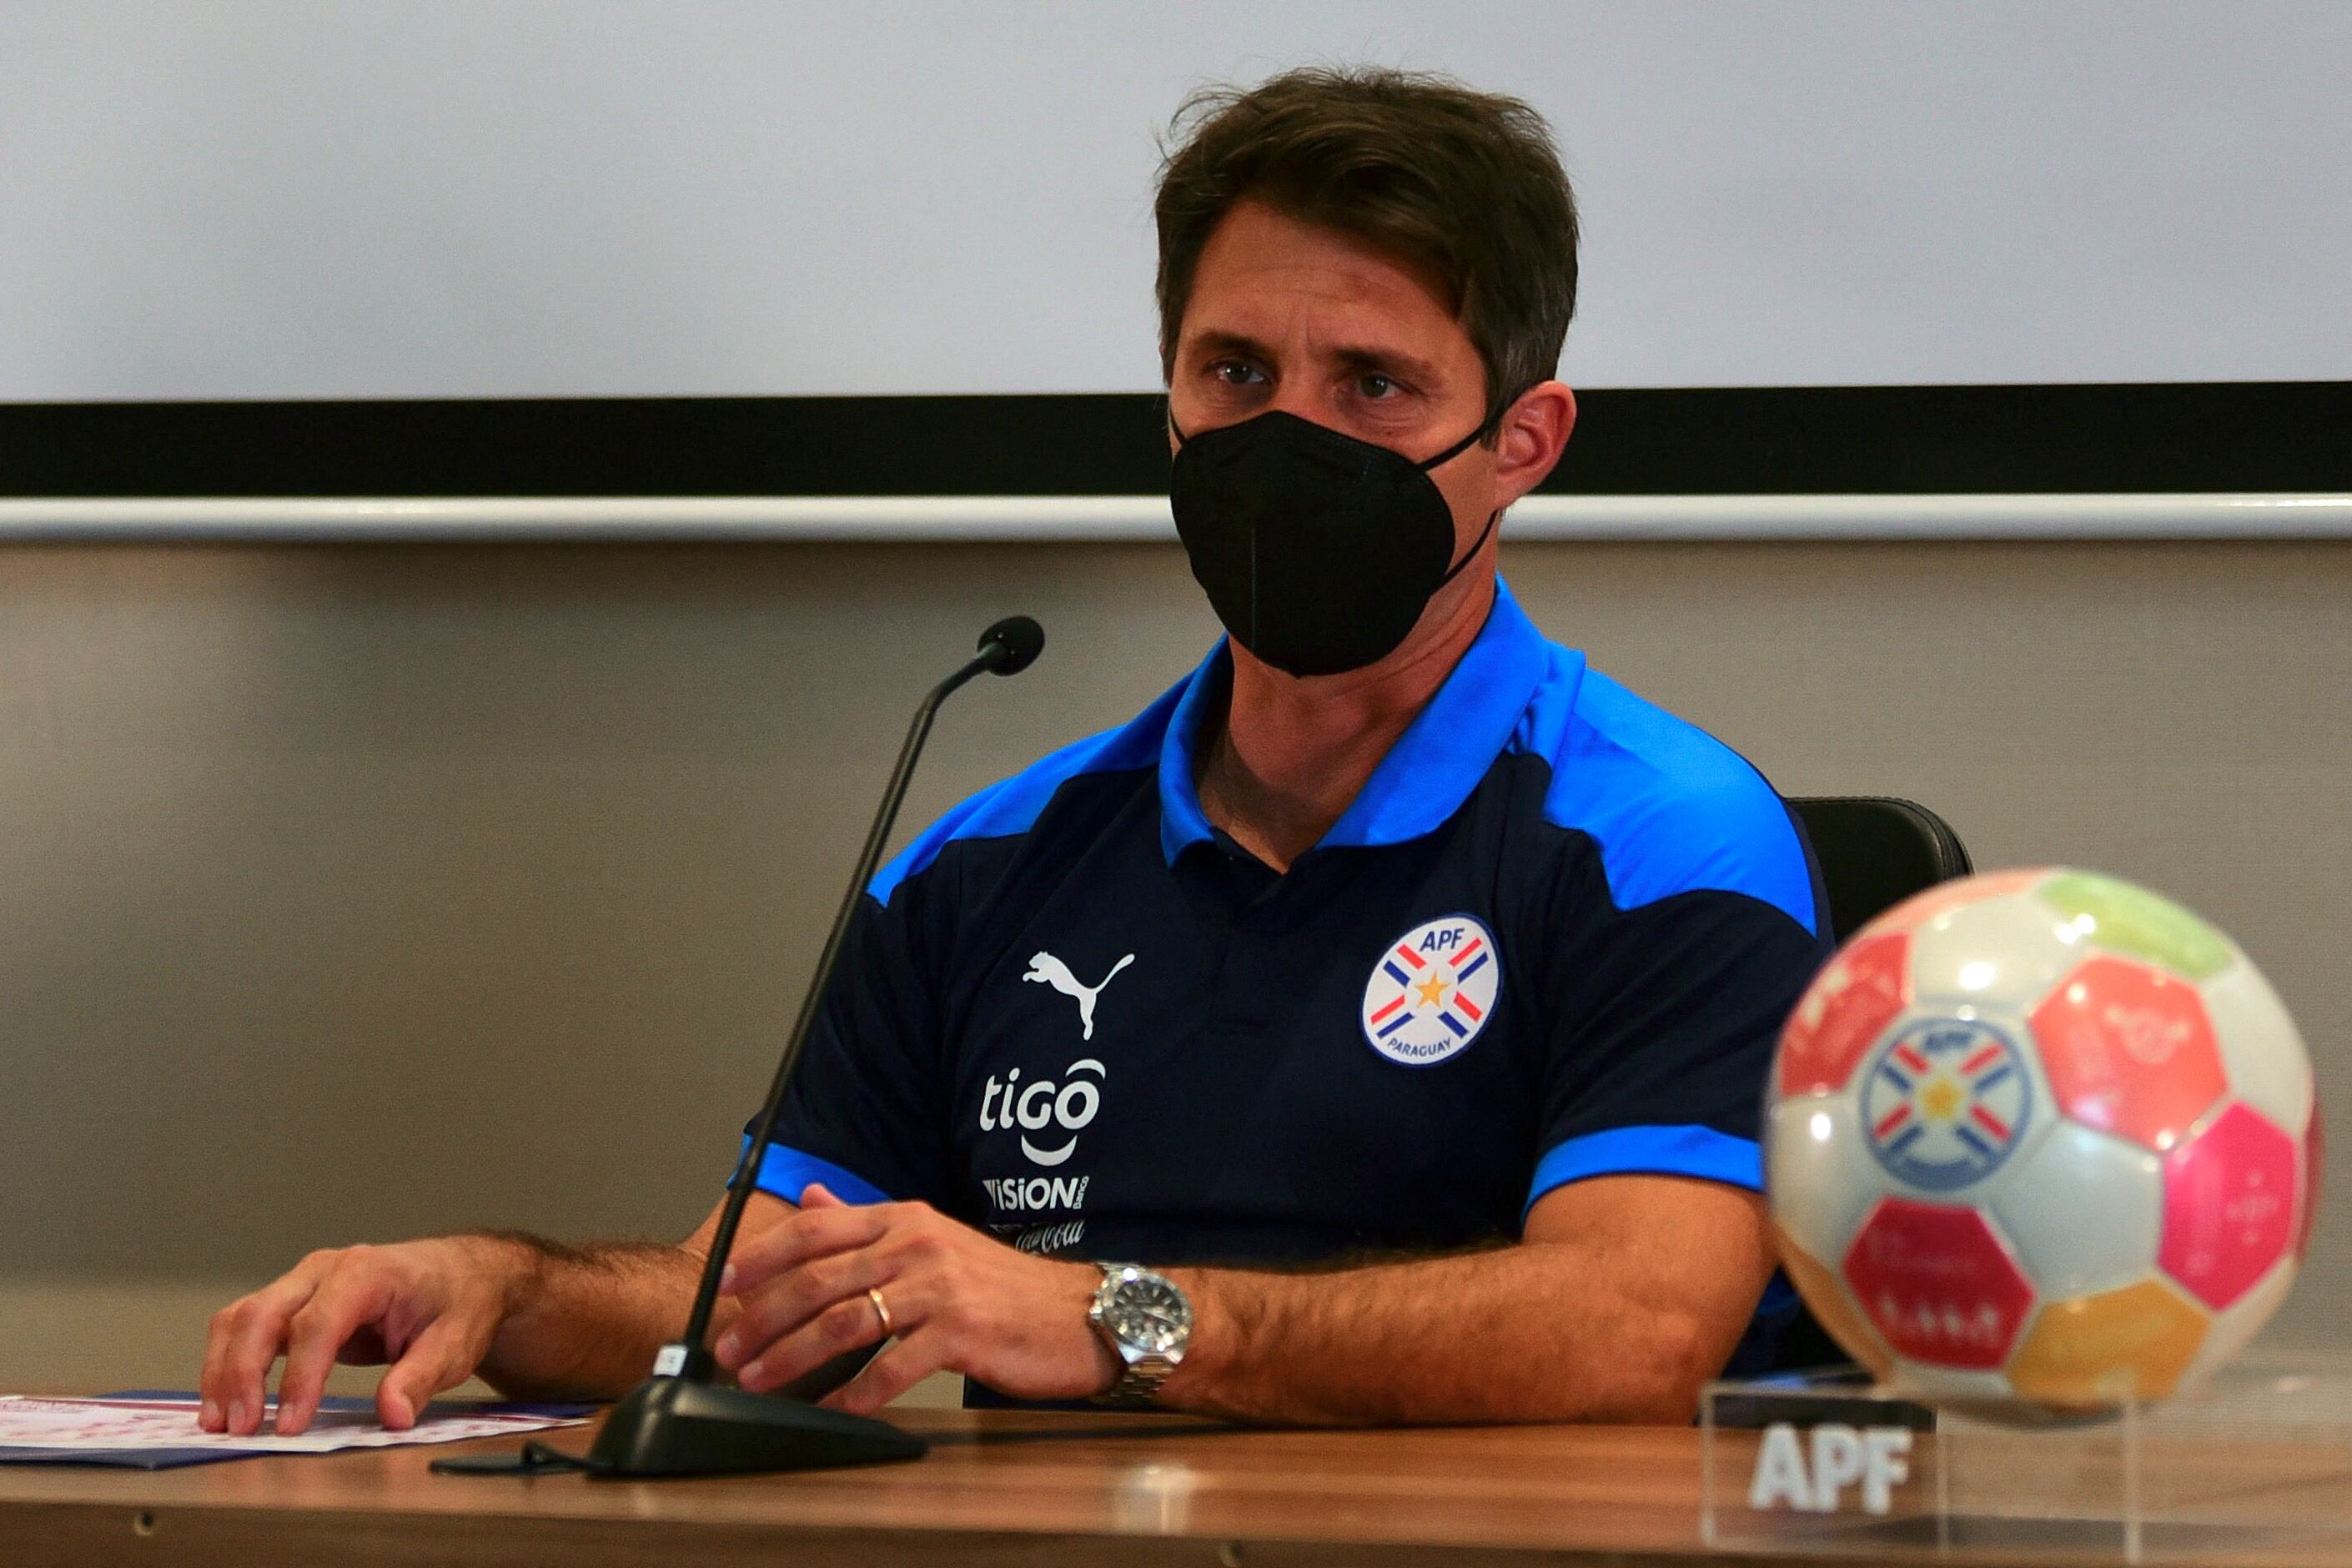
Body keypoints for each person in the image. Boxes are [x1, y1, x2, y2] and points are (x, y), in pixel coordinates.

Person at [200, 66, 1832, 1437]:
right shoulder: (989, 859)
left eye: (1376, 385)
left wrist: (1114, 1317)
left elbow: (1637, 1323)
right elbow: (755, 1305)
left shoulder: (1662, 833)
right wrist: (503, 1291)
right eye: (1237, 372)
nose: (1289, 440)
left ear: (1522, 443)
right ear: (1171, 401)